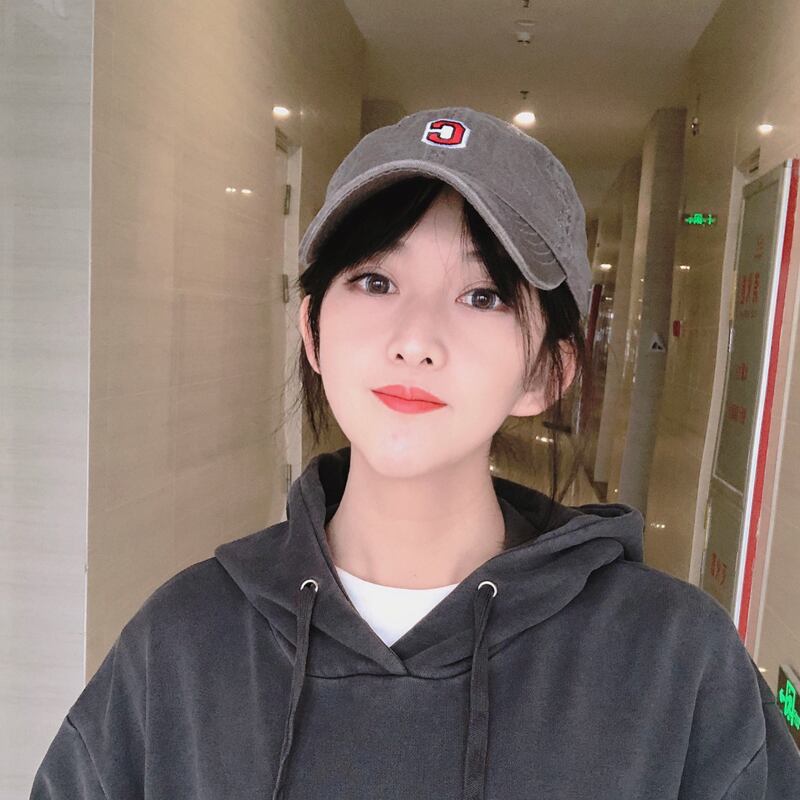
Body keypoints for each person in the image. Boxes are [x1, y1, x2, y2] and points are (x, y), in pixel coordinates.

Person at [30, 107, 800, 799]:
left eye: (482, 296)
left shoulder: (674, 662)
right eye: (375, 281)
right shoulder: (185, 641)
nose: (415, 341)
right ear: (313, 331)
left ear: (547, 372)